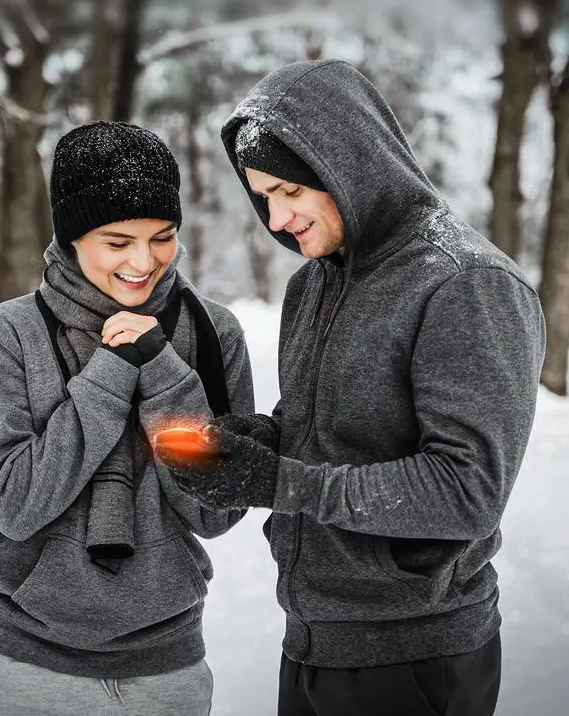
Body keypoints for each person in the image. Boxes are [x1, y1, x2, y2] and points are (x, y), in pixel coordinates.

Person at [155, 60, 546, 716]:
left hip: (415, 661)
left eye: (289, 190)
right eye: (263, 196)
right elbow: (322, 431)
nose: (278, 218)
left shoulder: (466, 285)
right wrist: (254, 442)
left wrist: (278, 482)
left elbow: (467, 492)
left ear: (347, 163)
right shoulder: (312, 283)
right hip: (314, 643)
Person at [0, 121, 254, 716]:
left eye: (163, 237)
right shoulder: (12, 334)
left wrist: (163, 372)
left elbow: (216, 511)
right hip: (24, 665)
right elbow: (18, 504)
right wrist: (113, 369)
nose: (143, 261)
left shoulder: (212, 333)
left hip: (165, 669)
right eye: (118, 242)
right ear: (71, 236)